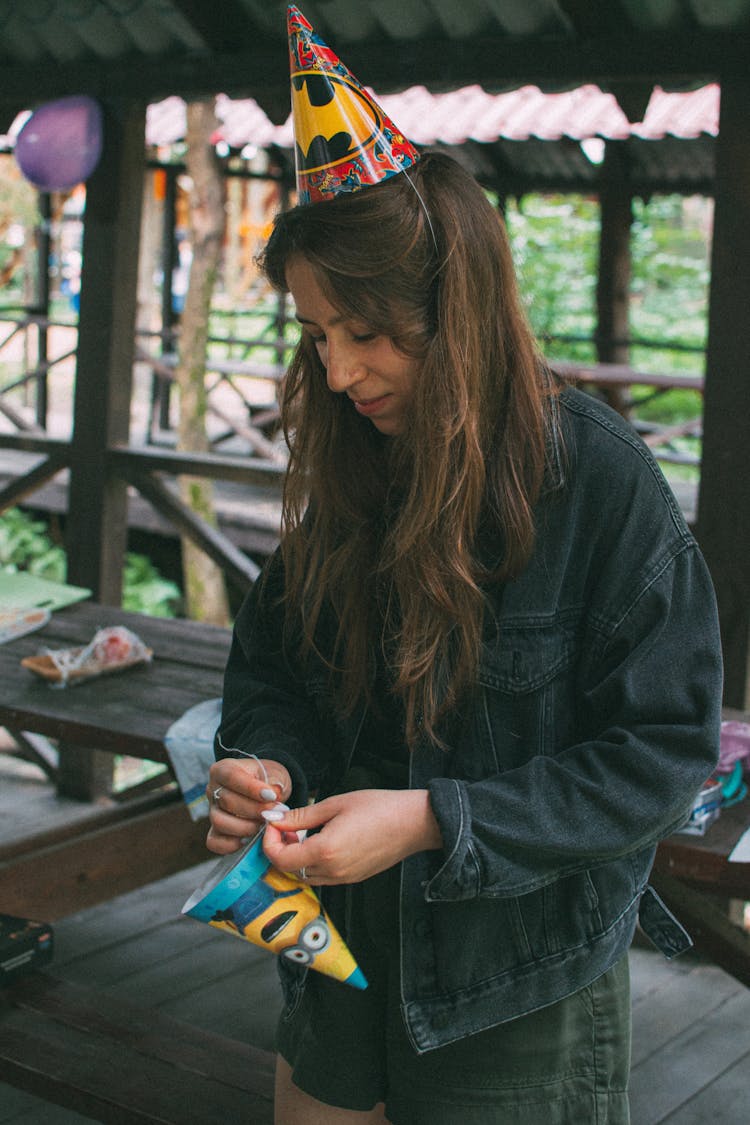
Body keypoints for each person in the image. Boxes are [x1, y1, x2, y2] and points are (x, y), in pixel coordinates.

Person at [205, 8, 723, 1123]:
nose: (340, 373)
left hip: (515, 989)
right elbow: (275, 678)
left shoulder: (595, 480)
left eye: (366, 331)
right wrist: (267, 774)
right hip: (334, 962)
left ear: (457, 307)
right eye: (316, 336)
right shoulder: (352, 463)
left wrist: (435, 818)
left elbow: (662, 757)